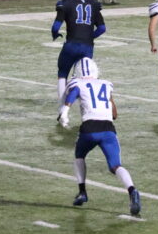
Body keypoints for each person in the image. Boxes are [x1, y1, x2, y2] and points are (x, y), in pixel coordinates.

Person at [57, 57, 141, 217]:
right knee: (116, 166)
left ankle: (82, 192)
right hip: (108, 129)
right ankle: (132, 191)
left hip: (89, 128)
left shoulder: (78, 83)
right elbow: (114, 114)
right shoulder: (106, 84)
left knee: (79, 155)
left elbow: (72, 94)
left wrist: (64, 113)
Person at [52, 0, 106, 103]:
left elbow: (55, 27)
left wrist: (55, 34)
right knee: (85, 75)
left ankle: (63, 103)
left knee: (63, 72)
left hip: (71, 44)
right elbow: (102, 28)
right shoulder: (93, 4)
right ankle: (88, 101)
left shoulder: (65, 3)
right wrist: (89, 36)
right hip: (87, 47)